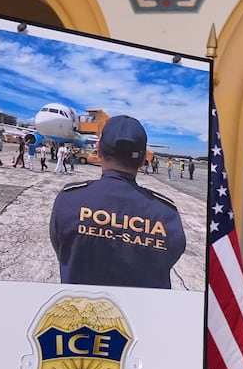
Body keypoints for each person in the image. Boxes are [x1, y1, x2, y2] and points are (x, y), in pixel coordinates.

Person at [49, 115, 187, 289]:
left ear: (98, 151)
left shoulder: (69, 200)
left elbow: (62, 252)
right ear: (144, 157)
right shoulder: (166, 214)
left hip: (80, 313)